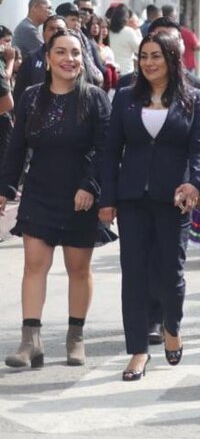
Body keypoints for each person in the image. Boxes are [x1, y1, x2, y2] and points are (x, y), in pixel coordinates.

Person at [98, 33, 200, 381]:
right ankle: (138, 350)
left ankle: (171, 327)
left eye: (156, 56)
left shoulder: (194, 98)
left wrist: (196, 183)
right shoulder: (126, 98)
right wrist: (107, 199)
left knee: (170, 272)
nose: (148, 63)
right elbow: (110, 150)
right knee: (134, 274)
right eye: (144, 56)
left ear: (172, 59)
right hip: (132, 198)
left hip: (174, 199)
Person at [1, 29, 113, 369]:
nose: (69, 59)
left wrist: (90, 185)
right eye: (61, 52)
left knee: (78, 268)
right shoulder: (31, 97)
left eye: (75, 53)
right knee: (34, 265)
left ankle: (75, 337)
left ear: (83, 59)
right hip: (40, 191)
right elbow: (17, 147)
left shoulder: (95, 98)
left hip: (81, 195)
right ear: (47, 58)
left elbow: (106, 149)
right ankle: (30, 341)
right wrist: (5, 189)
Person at [108, 5, 142, 76]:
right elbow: (140, 49)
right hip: (126, 71)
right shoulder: (129, 31)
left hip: (112, 72)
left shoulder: (108, 31)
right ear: (126, 18)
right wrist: (137, 30)